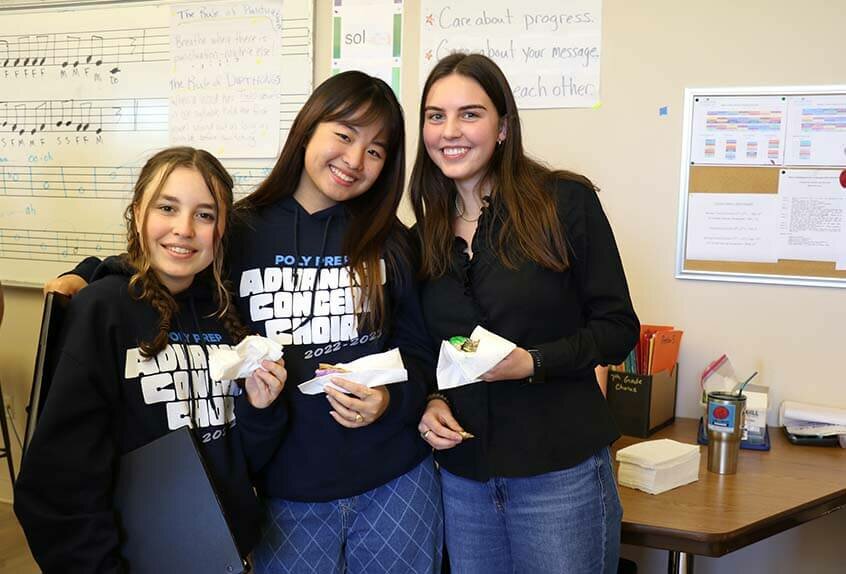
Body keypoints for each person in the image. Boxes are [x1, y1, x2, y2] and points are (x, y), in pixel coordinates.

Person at [43, 72, 442, 574]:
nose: (355, 159)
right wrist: (90, 274)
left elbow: (418, 350)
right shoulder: (242, 229)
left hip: (395, 480)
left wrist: (392, 400)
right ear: (308, 130)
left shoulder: (390, 241)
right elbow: (173, 260)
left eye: (377, 150)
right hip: (287, 496)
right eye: (344, 134)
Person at [410, 53, 640, 574]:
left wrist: (532, 362)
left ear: (504, 127)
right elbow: (423, 349)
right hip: (464, 479)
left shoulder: (563, 202)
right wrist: (428, 401)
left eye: (470, 114)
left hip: (558, 475)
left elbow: (618, 329)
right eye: (435, 115)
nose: (450, 131)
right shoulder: (420, 235)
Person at [14, 146, 287, 573]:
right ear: (138, 212)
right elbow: (58, 481)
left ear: (220, 231)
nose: (184, 229)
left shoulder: (227, 316)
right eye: (167, 207)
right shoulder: (103, 310)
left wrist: (263, 409)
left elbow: (247, 459)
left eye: (204, 215)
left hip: (226, 553)